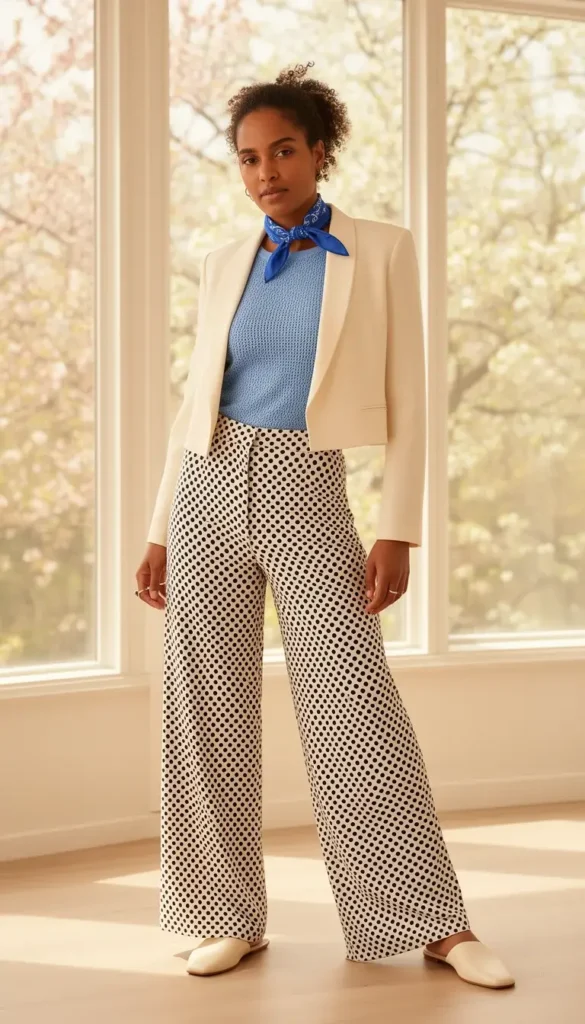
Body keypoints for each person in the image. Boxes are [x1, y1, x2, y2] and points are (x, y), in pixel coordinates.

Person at [135, 62, 514, 988]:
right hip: (208, 486)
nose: (266, 172)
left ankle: (433, 920)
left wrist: (397, 529)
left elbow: (411, 397)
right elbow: (196, 404)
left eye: (283, 151)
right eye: (249, 159)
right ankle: (221, 912)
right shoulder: (227, 264)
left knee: (354, 706)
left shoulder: (380, 249)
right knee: (203, 707)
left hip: (310, 489)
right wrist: (158, 529)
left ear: (318, 151)